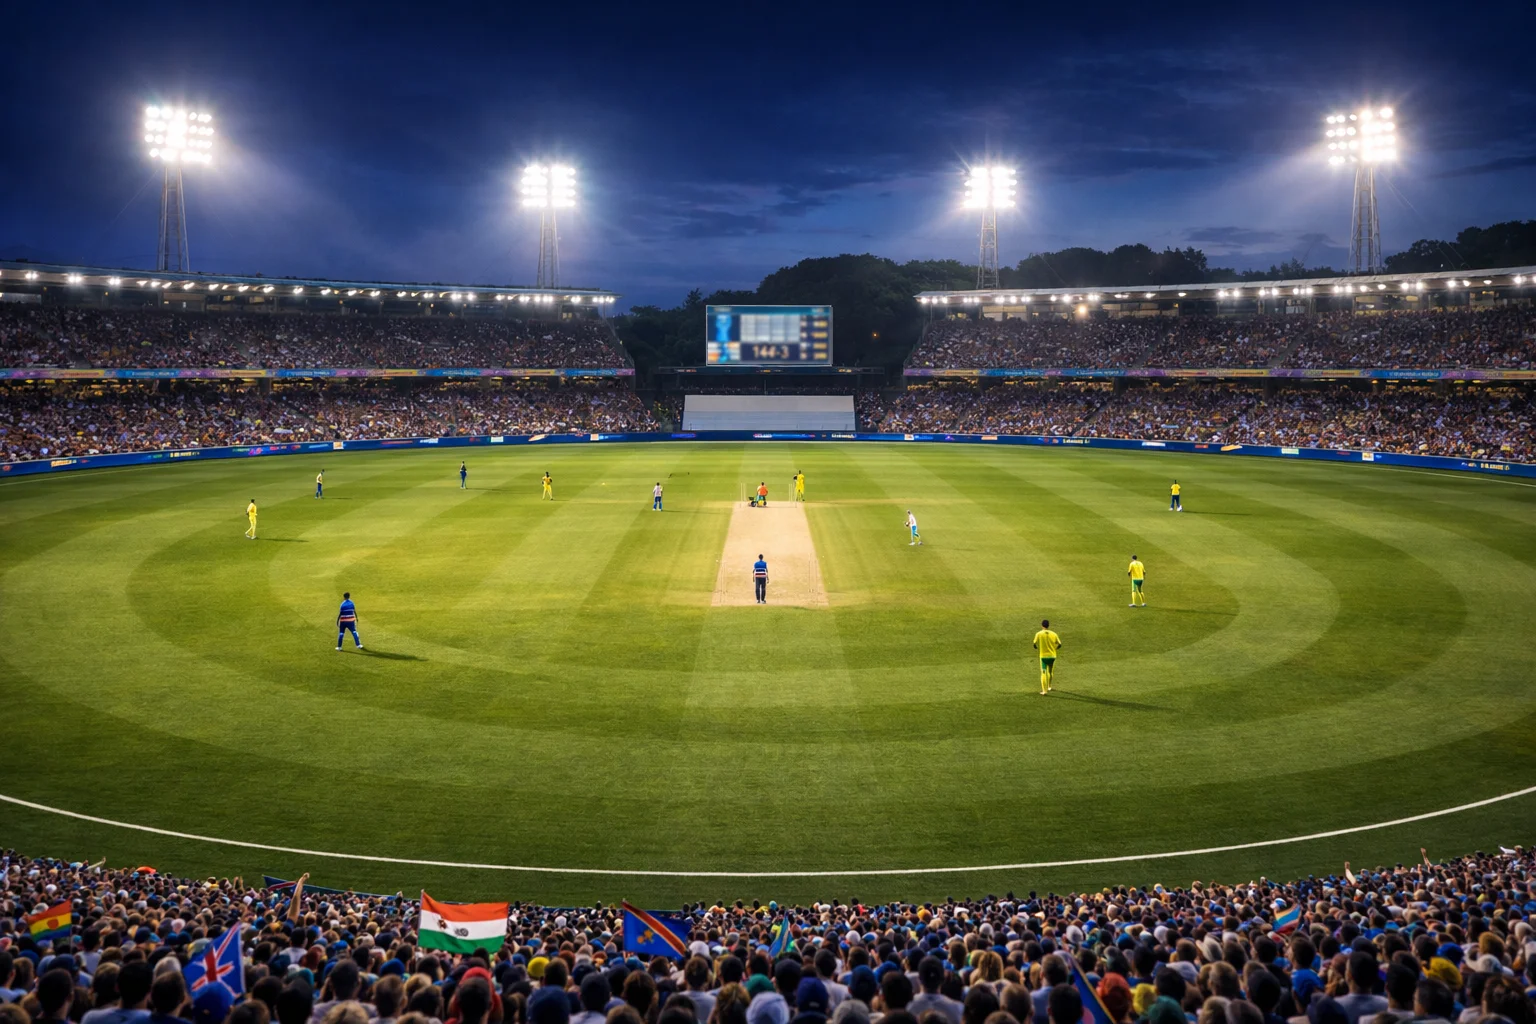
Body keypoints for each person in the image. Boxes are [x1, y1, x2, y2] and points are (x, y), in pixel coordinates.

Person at [1032, 618, 1061, 695]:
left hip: (1043, 657)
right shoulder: (1054, 634)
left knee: (1043, 673)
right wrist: (1055, 649)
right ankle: (1049, 686)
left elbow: (1034, 643)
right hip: (1052, 656)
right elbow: (1060, 644)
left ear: (1042, 625)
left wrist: (1036, 647)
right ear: (1048, 626)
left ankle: (1044, 691)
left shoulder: (1038, 634)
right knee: (1050, 671)